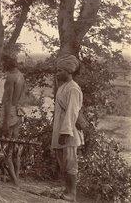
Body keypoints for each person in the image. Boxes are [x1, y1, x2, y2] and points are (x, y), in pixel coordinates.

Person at [52, 54, 84, 202]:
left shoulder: (73, 89)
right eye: (57, 70)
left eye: (60, 71)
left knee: (70, 162)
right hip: (60, 129)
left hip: (69, 132)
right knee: (62, 162)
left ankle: (72, 193)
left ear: (69, 71)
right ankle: (67, 190)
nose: (57, 73)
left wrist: (65, 132)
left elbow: (72, 112)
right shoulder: (63, 87)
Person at [0, 54, 26, 186]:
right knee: (14, 148)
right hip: (18, 113)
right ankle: (15, 177)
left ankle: (13, 180)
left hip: (9, 114)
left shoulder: (10, 77)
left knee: (5, 148)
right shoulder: (21, 76)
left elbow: (8, 101)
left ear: (6, 65)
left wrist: (4, 123)